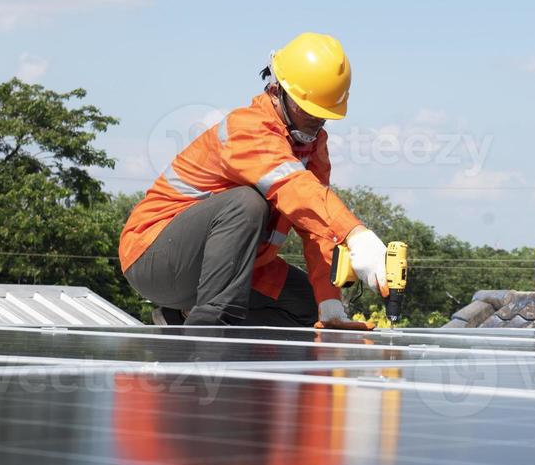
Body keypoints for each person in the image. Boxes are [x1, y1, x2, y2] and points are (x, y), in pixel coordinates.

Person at [120, 33, 387, 327]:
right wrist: (356, 233)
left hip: (232, 267)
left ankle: (178, 317)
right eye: (307, 110)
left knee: (307, 307)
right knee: (247, 203)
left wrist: (330, 303)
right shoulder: (247, 128)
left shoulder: (313, 146)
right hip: (154, 259)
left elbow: (317, 229)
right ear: (277, 91)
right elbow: (296, 189)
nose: (316, 122)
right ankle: (209, 325)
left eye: (324, 115)